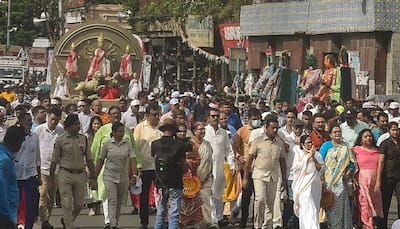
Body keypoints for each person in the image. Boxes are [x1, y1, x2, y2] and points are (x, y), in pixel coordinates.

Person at [91, 106, 141, 229]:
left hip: (123, 170)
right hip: (106, 171)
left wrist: (137, 169)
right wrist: (92, 171)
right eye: (113, 113)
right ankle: (109, 222)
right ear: (109, 115)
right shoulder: (102, 130)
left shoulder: (127, 131)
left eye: (118, 113)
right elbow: (95, 151)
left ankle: (115, 223)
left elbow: (134, 152)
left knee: (118, 200)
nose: (116, 115)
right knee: (108, 197)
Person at [49, 114, 97, 229]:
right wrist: (51, 179)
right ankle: (69, 226)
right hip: (65, 173)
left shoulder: (83, 139)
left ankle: (67, 220)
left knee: (79, 204)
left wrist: (93, 177)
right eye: (75, 124)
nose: (78, 126)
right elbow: (54, 161)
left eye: (78, 124)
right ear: (68, 126)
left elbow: (89, 159)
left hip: (80, 174)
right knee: (66, 204)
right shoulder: (61, 140)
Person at [243, 115, 287, 229]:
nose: (275, 130)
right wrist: (245, 178)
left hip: (273, 176)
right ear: (266, 128)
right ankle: (257, 225)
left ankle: (267, 225)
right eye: (273, 128)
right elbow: (249, 160)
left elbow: (283, 161)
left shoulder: (279, 142)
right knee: (260, 199)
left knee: (271, 203)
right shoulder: (258, 141)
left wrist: (284, 179)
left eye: (277, 128)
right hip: (259, 174)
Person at [152, 118, 187, 229]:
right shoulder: (180, 145)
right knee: (174, 213)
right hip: (175, 181)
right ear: (174, 130)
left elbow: (155, 161)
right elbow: (184, 165)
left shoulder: (155, 144)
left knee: (160, 212)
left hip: (160, 182)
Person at [204, 108, 235, 227]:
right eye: (213, 116)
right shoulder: (204, 131)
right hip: (207, 167)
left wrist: (232, 164)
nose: (215, 118)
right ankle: (212, 220)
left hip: (220, 166)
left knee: (218, 192)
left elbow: (228, 150)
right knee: (209, 192)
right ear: (208, 118)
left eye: (217, 116)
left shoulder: (223, 133)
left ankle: (219, 217)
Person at [133, 104, 163, 229]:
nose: (156, 117)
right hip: (144, 166)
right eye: (154, 115)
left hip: (160, 167)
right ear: (147, 115)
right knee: (144, 196)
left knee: (162, 195)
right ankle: (144, 222)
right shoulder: (140, 127)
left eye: (158, 114)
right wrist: (137, 166)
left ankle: (161, 221)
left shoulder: (162, 128)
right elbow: (135, 148)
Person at [319, 125, 354, 229]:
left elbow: (351, 163)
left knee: (342, 207)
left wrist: (348, 172)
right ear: (330, 134)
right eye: (335, 132)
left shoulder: (345, 147)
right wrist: (322, 179)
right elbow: (321, 162)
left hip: (341, 181)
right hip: (328, 181)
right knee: (330, 206)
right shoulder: (326, 146)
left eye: (339, 132)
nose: (337, 134)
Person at [34, 107, 64, 229]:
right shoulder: (39, 130)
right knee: (43, 193)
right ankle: (44, 220)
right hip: (42, 167)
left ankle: (47, 219)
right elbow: (35, 148)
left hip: (56, 169)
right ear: (47, 117)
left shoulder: (61, 131)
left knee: (51, 196)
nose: (54, 122)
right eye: (52, 119)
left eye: (56, 120)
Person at [233, 108, 262, 228]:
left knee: (259, 197)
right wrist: (239, 157)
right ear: (249, 119)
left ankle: (257, 221)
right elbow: (235, 146)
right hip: (246, 167)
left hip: (259, 166)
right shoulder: (242, 131)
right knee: (246, 195)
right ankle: (243, 220)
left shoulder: (262, 131)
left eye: (258, 119)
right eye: (254, 119)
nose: (256, 121)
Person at [14, 112, 41, 229]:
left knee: (31, 204)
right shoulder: (14, 135)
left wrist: (39, 175)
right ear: (21, 122)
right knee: (15, 204)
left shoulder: (34, 137)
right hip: (16, 175)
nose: (30, 123)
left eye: (31, 121)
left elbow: (37, 157)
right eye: (27, 121)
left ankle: (28, 226)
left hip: (31, 174)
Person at [292, 135, 323, 229]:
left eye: (311, 142)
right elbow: (296, 168)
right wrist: (306, 158)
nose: (310, 144)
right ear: (302, 144)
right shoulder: (299, 154)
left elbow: (321, 169)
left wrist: (313, 157)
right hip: (303, 186)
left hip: (315, 185)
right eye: (308, 142)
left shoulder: (317, 154)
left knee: (315, 208)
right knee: (308, 209)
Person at [353, 129, 383, 229]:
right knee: (364, 203)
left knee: (375, 204)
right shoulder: (355, 150)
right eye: (365, 136)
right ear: (361, 139)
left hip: (375, 181)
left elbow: (380, 166)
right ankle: (368, 225)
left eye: (370, 136)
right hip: (362, 181)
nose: (368, 138)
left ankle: (375, 223)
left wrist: (378, 181)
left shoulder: (377, 151)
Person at [0, 126, 26, 226]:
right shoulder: (4, 161)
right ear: (17, 142)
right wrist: (7, 220)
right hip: (4, 216)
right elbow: (2, 193)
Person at [376, 121, 400, 229]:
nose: (395, 132)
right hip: (387, 176)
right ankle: (382, 226)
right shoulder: (385, 143)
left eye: (396, 130)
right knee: (385, 202)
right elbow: (381, 162)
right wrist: (378, 180)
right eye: (393, 130)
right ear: (389, 131)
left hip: (399, 177)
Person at [85, 115, 103, 216]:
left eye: (98, 124)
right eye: (95, 124)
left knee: (99, 186)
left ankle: (98, 206)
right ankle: (91, 207)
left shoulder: (104, 135)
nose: (96, 126)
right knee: (90, 188)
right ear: (91, 125)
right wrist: (86, 165)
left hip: (100, 164)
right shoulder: (87, 136)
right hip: (89, 163)